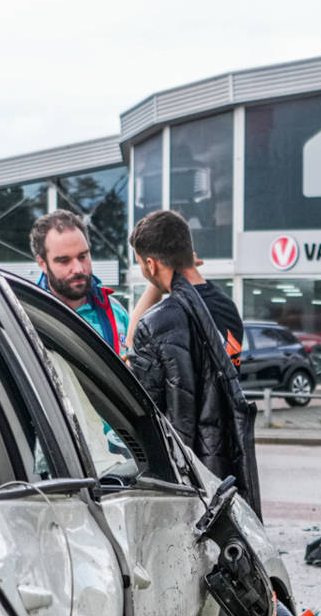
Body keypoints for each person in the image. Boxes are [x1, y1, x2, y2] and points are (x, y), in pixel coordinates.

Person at [125, 209, 261, 512]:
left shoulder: (157, 323)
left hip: (184, 472)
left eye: (143, 265)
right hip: (227, 461)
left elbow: (132, 346)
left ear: (151, 264)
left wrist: (157, 279)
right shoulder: (228, 308)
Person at [31, 209, 128, 355]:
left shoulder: (116, 312)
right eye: (64, 261)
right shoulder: (29, 315)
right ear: (43, 263)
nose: (78, 269)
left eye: (82, 257)